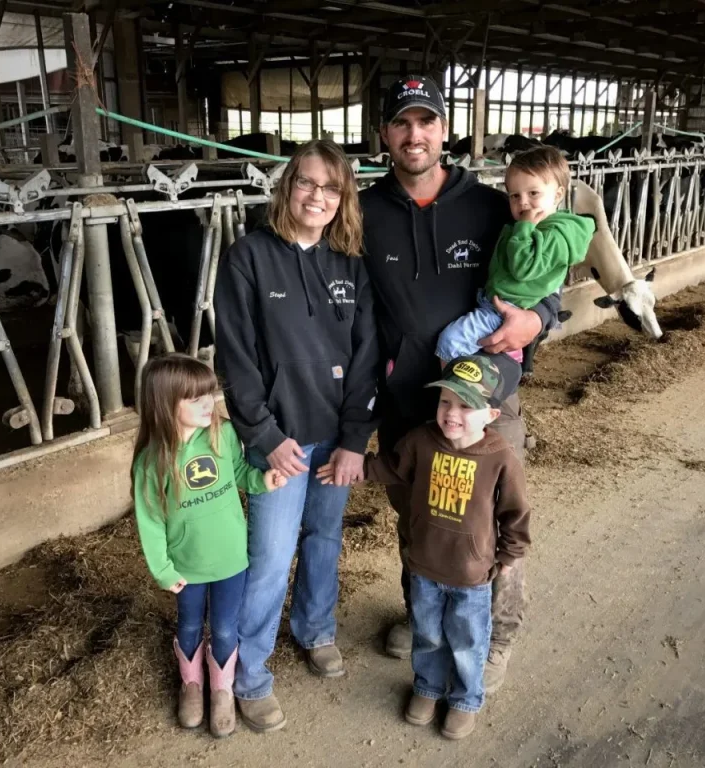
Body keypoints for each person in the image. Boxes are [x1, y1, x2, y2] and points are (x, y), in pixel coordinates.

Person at [360, 74, 562, 692]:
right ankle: (429, 615)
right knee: (420, 512)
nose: (414, 134)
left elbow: (541, 274)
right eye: (401, 123)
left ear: (444, 131)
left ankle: (497, 636)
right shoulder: (364, 211)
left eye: (426, 121)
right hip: (406, 400)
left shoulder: (487, 205)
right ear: (384, 136)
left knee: (492, 518)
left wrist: (540, 318)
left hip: (483, 399)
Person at [215, 139, 379, 733]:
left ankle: (315, 629)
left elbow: (366, 354)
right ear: (288, 187)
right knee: (268, 557)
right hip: (278, 441)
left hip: (334, 437)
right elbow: (236, 357)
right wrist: (263, 433)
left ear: (344, 198)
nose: (318, 196)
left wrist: (355, 438)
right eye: (307, 183)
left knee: (324, 539)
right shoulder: (248, 258)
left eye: (331, 188)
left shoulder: (350, 263)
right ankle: (250, 671)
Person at [317, 354, 531, 740]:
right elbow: (391, 468)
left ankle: (466, 698)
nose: (452, 413)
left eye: (467, 406)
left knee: (468, 641)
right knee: (428, 633)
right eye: (446, 401)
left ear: (492, 415)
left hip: (471, 575)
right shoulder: (421, 441)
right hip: (424, 567)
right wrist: (356, 469)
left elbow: (515, 513)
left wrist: (510, 556)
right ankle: (428, 688)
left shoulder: (500, 458)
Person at [131, 353, 286, 738]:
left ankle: (220, 690)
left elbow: (239, 474)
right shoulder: (153, 461)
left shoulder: (222, 434)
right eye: (195, 399)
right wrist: (162, 569)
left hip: (231, 558)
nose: (209, 404)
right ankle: (192, 686)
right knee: (187, 624)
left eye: (209, 395)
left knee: (223, 627)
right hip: (187, 565)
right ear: (165, 404)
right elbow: (149, 520)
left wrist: (263, 482)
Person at [435, 146, 595, 363]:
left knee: (450, 342)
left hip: (508, 309)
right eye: (514, 196)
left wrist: (523, 228)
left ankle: (449, 393)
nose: (523, 203)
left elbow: (524, 268)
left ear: (558, 194)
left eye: (533, 193)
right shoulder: (541, 226)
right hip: (498, 301)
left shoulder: (556, 234)